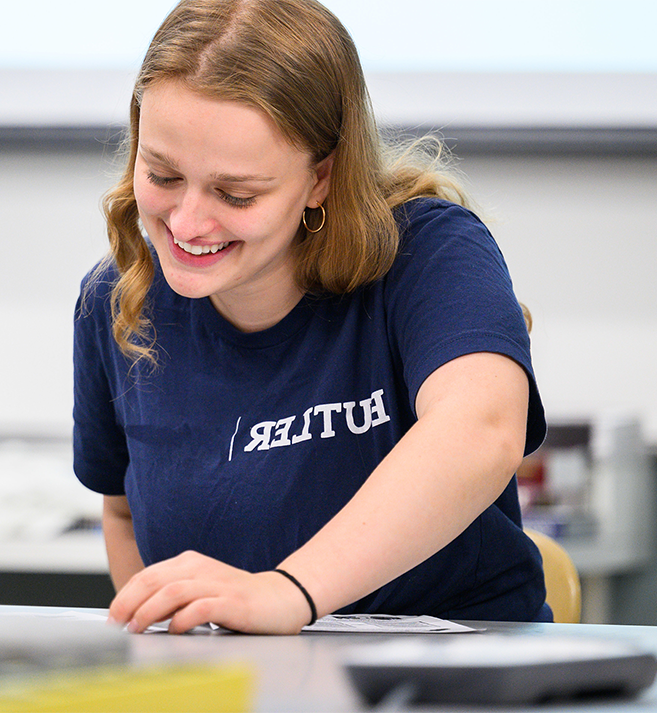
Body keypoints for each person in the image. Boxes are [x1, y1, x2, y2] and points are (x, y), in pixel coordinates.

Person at [72, 0, 549, 634]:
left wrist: (290, 593)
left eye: (236, 194)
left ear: (321, 178)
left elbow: (481, 431)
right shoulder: (116, 299)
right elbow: (125, 514)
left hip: (450, 679)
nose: (186, 224)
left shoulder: (429, 253)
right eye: (162, 175)